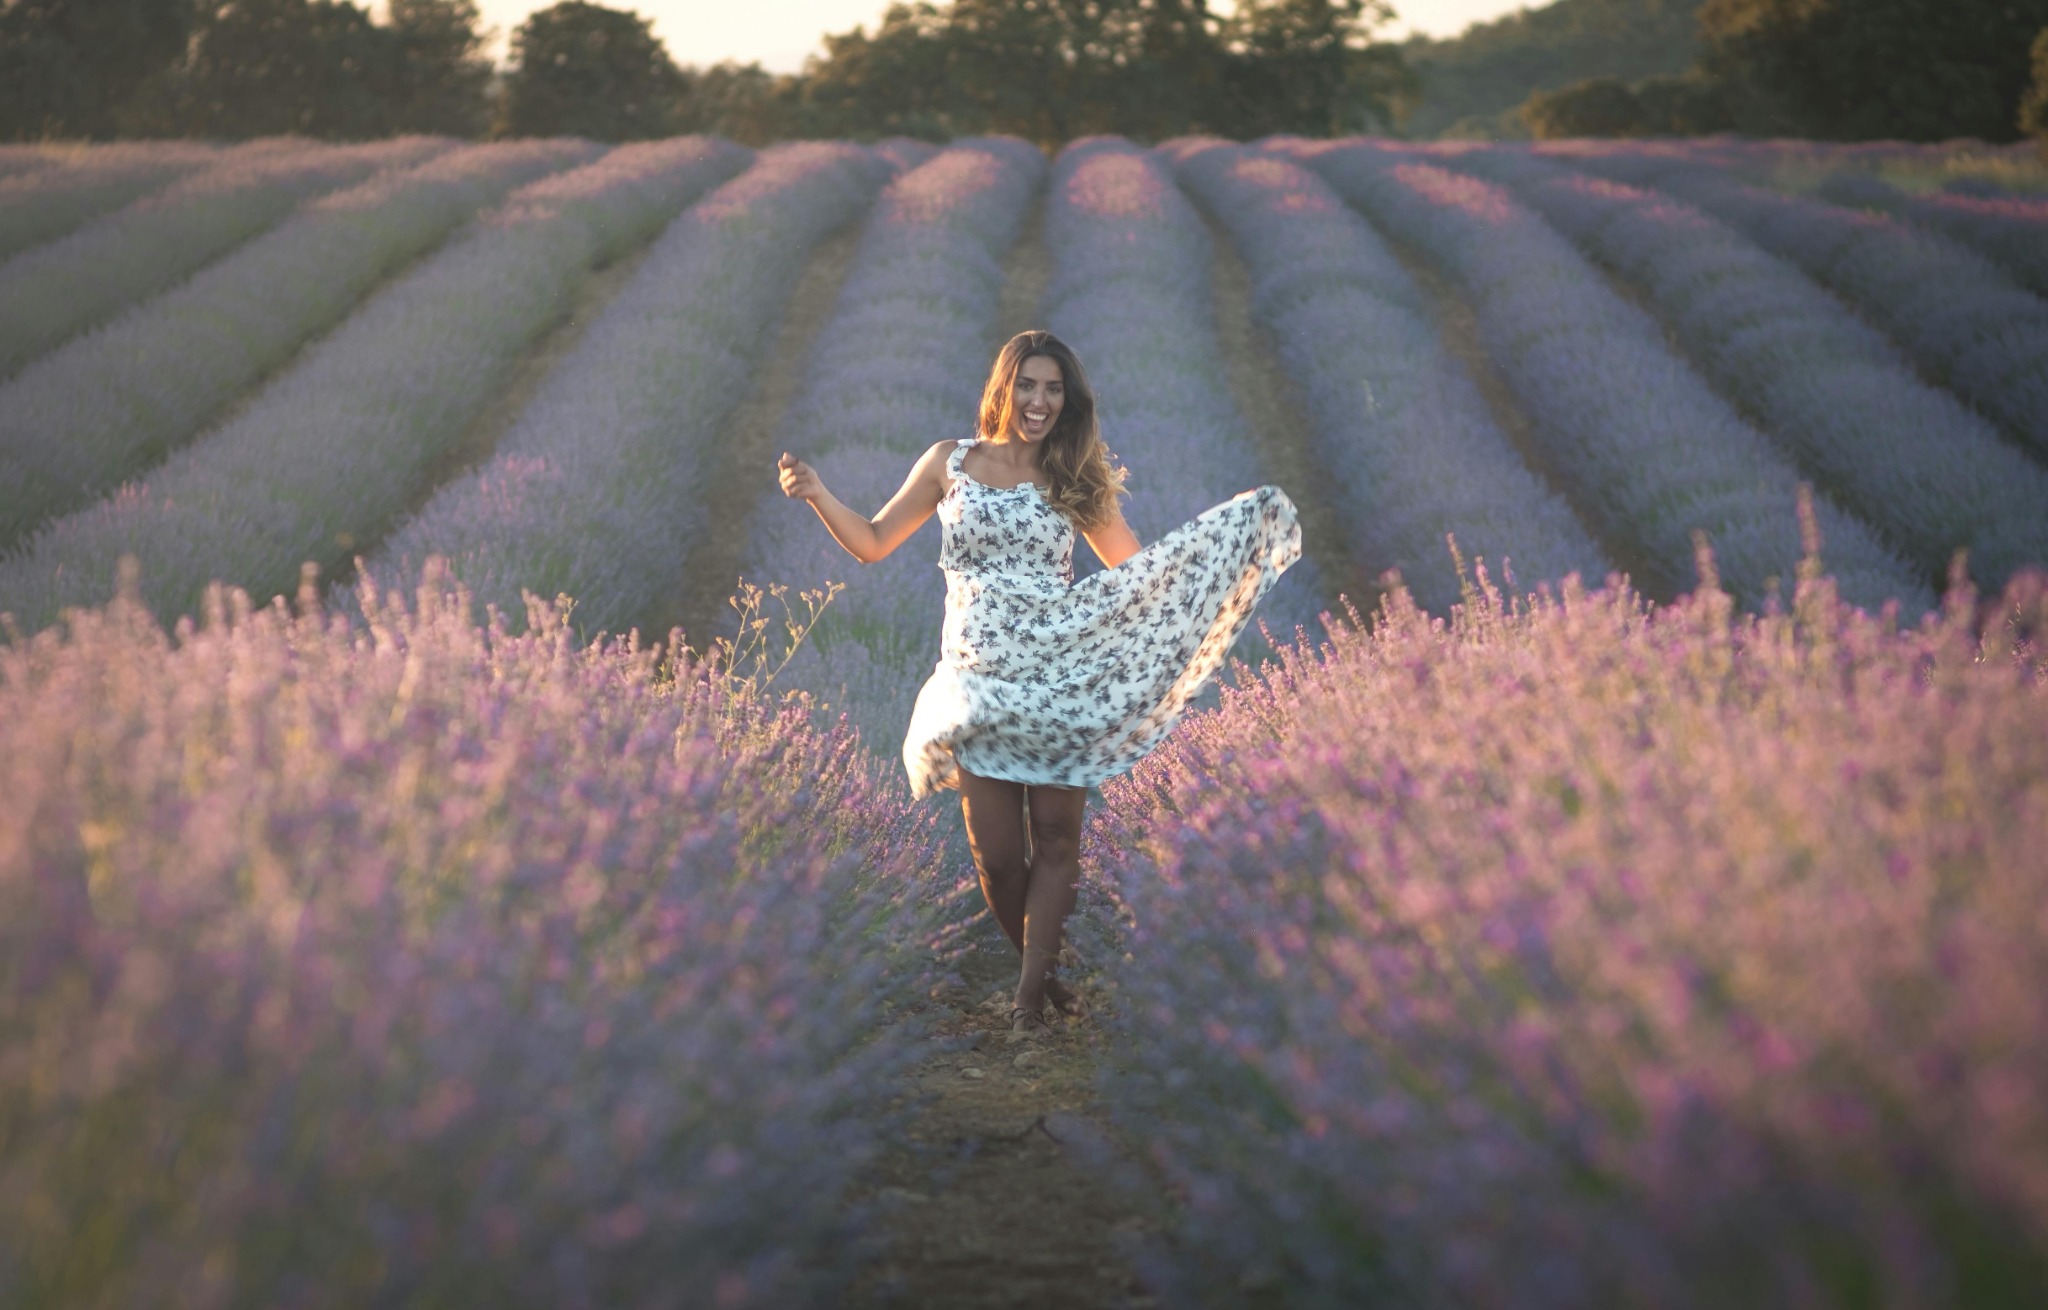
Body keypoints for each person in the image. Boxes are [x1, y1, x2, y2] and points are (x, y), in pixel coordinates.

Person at [778, 330, 1300, 1037]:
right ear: (1004, 387)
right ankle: (1050, 982)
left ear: (1068, 400)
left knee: (1056, 839)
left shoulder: (1071, 475)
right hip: (978, 679)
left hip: (1062, 676)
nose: (1040, 402)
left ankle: (1027, 1003)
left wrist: (1209, 566)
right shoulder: (948, 463)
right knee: (995, 857)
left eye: (1054, 390)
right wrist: (816, 495)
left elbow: (1134, 572)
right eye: (1029, 386)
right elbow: (872, 541)